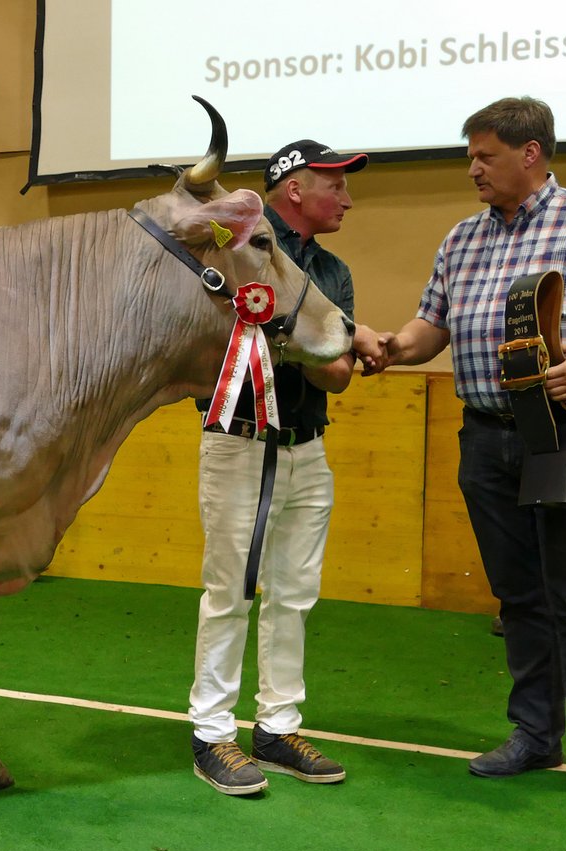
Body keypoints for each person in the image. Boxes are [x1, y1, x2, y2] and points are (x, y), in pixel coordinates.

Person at [372, 98, 566, 816]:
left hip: (565, 431)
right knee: (517, 597)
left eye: (485, 155)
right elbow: (431, 326)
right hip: (484, 434)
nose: (472, 168)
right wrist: (392, 347)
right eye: (470, 156)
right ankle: (535, 734)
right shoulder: (461, 237)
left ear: (531, 153)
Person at [189, 139, 383, 794]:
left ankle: (275, 726)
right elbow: (215, 340)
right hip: (237, 441)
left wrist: (281, 334)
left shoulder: (334, 270)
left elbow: (337, 375)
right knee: (230, 592)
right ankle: (212, 735)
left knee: (295, 593)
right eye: (337, 186)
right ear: (295, 189)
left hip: (308, 446)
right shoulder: (231, 249)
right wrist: (305, 335)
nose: (349, 199)